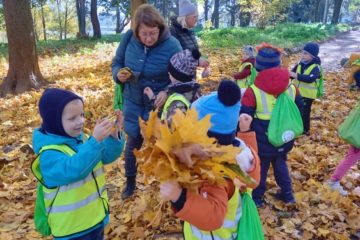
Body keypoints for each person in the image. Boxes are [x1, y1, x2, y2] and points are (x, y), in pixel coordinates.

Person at [159, 80, 261, 239]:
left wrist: (179, 198)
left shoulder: (216, 174)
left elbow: (214, 217)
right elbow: (253, 179)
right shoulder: (239, 155)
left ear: (205, 140)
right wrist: (245, 133)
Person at [32, 88, 125, 239]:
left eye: (82, 115)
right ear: (54, 122)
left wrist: (114, 137)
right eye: (72, 118)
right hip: (71, 230)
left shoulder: (83, 139)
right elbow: (74, 170)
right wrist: (95, 142)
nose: (81, 121)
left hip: (95, 219)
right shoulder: (49, 154)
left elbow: (106, 156)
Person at [111, 4, 182, 199]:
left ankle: (171, 185)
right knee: (133, 141)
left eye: (153, 33)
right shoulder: (128, 38)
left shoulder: (173, 45)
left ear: (160, 28)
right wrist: (119, 74)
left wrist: (167, 92)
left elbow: (184, 76)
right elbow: (116, 63)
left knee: (163, 145)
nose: (149, 38)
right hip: (133, 100)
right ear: (136, 31)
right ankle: (130, 182)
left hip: (157, 105)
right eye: (144, 34)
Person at [241, 44, 304, 207]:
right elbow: (301, 108)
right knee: (280, 163)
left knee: (260, 167)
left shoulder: (252, 91)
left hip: (263, 140)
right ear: (278, 65)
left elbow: (245, 116)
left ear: (258, 67)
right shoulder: (292, 87)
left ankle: (257, 198)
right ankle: (288, 195)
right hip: (285, 136)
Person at [143, 48, 202, 123]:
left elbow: (172, 130)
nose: (168, 73)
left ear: (177, 75)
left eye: (170, 72)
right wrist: (153, 98)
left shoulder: (178, 103)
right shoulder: (193, 89)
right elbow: (168, 106)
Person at [290, 42, 322, 135]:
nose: (302, 55)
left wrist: (296, 75)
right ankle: (296, 126)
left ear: (312, 56)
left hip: (308, 95)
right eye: (302, 53)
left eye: (305, 53)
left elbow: (310, 78)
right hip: (297, 93)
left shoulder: (316, 67)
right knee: (296, 110)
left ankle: (305, 129)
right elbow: (291, 74)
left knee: (305, 112)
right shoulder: (300, 64)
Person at [169, 0, 210, 71]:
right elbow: (175, 57)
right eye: (194, 17)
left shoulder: (190, 30)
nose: (196, 19)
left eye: (197, 17)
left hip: (190, 73)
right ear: (185, 17)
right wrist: (197, 62)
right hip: (179, 76)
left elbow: (194, 52)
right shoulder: (173, 31)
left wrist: (201, 58)